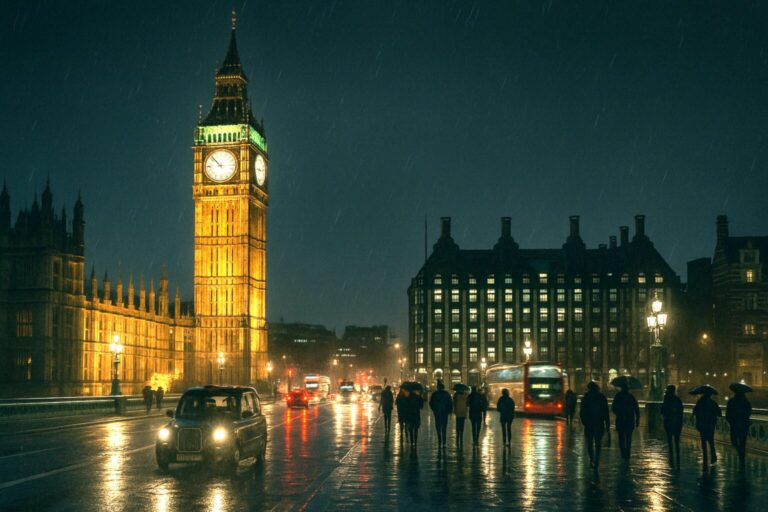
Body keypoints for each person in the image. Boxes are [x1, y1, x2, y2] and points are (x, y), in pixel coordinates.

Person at [580, 381, 610, 468]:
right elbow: (606, 412)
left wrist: (584, 421)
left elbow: (582, 411)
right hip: (599, 423)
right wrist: (607, 425)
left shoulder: (586, 397)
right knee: (598, 443)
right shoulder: (601, 397)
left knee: (589, 442)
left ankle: (592, 459)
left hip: (589, 424)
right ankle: (596, 460)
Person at [611, 381, 640, 461]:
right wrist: (637, 419)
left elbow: (613, 408)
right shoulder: (631, 397)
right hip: (630, 420)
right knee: (628, 437)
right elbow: (636, 409)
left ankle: (623, 453)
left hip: (620, 420)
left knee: (621, 437)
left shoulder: (618, 396)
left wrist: (619, 413)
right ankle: (627, 453)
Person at [692, 387, 721, 465]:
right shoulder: (713, 403)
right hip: (710, 424)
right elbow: (719, 413)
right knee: (711, 441)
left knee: (703, 442)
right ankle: (713, 458)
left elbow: (694, 412)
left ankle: (705, 459)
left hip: (702, 424)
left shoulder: (699, 402)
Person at [726, 387, 752, 467]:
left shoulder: (731, 401)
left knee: (734, 440)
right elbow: (749, 412)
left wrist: (731, 420)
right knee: (743, 441)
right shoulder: (746, 401)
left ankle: (740, 452)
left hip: (734, 424)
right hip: (744, 424)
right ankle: (742, 456)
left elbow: (728, 414)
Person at [661, 385, 683, 465]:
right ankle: (677, 456)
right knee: (677, 440)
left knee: (670, 440)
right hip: (677, 423)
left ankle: (671, 457)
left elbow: (662, 411)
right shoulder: (677, 400)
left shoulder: (666, 399)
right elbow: (681, 412)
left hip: (668, 422)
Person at [429, 381, 453, 448]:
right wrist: (449, 411)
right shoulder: (446, 394)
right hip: (444, 413)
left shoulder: (434, 394)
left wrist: (434, 409)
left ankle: (439, 441)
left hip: (437, 413)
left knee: (438, 427)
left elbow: (430, 403)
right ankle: (444, 442)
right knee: (444, 427)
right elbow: (450, 403)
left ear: (438, 387)